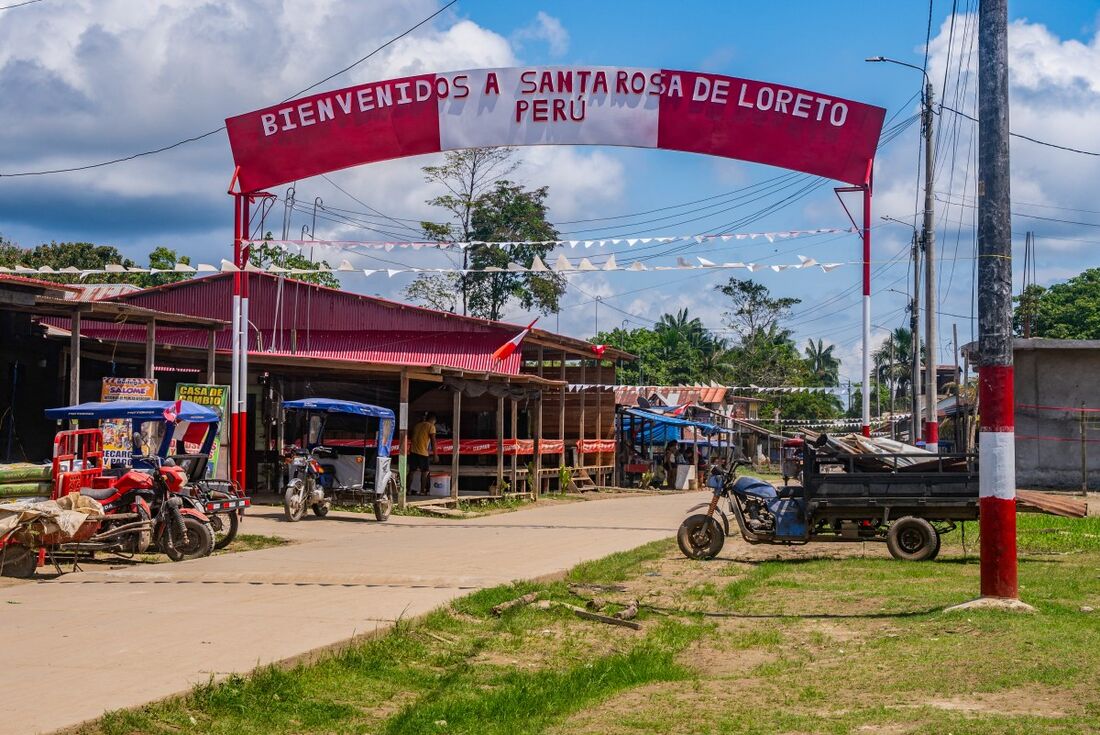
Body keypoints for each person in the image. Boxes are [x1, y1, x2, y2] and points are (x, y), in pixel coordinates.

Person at [409, 412, 438, 495]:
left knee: (411, 471)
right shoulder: (431, 426)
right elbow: (433, 441)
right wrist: (435, 454)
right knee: (425, 472)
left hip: (413, 451)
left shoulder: (417, 425)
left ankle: (407, 490)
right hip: (423, 452)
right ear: (433, 420)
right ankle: (422, 491)